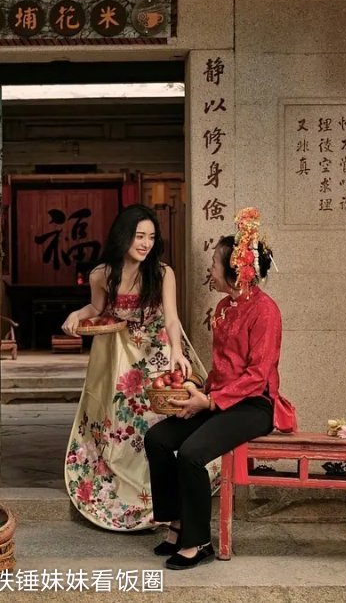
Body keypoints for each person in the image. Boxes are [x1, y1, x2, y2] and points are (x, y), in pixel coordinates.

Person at [144, 207, 285, 570]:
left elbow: (257, 375)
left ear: (235, 270)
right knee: (158, 439)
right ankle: (177, 523)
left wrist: (209, 401)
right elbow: (223, 367)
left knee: (191, 454)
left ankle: (198, 542)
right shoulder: (224, 307)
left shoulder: (266, 311)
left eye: (214, 263)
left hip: (253, 405)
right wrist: (198, 390)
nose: (210, 269)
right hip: (217, 400)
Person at [61, 204, 209, 531]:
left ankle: (161, 495)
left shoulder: (162, 273)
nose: (146, 244)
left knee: (157, 420)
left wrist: (176, 350)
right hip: (118, 356)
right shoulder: (101, 274)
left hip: (155, 354)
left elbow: (172, 318)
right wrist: (77, 314)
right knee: (118, 421)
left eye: (151, 237)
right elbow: (97, 308)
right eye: (140, 236)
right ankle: (125, 489)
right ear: (123, 235)